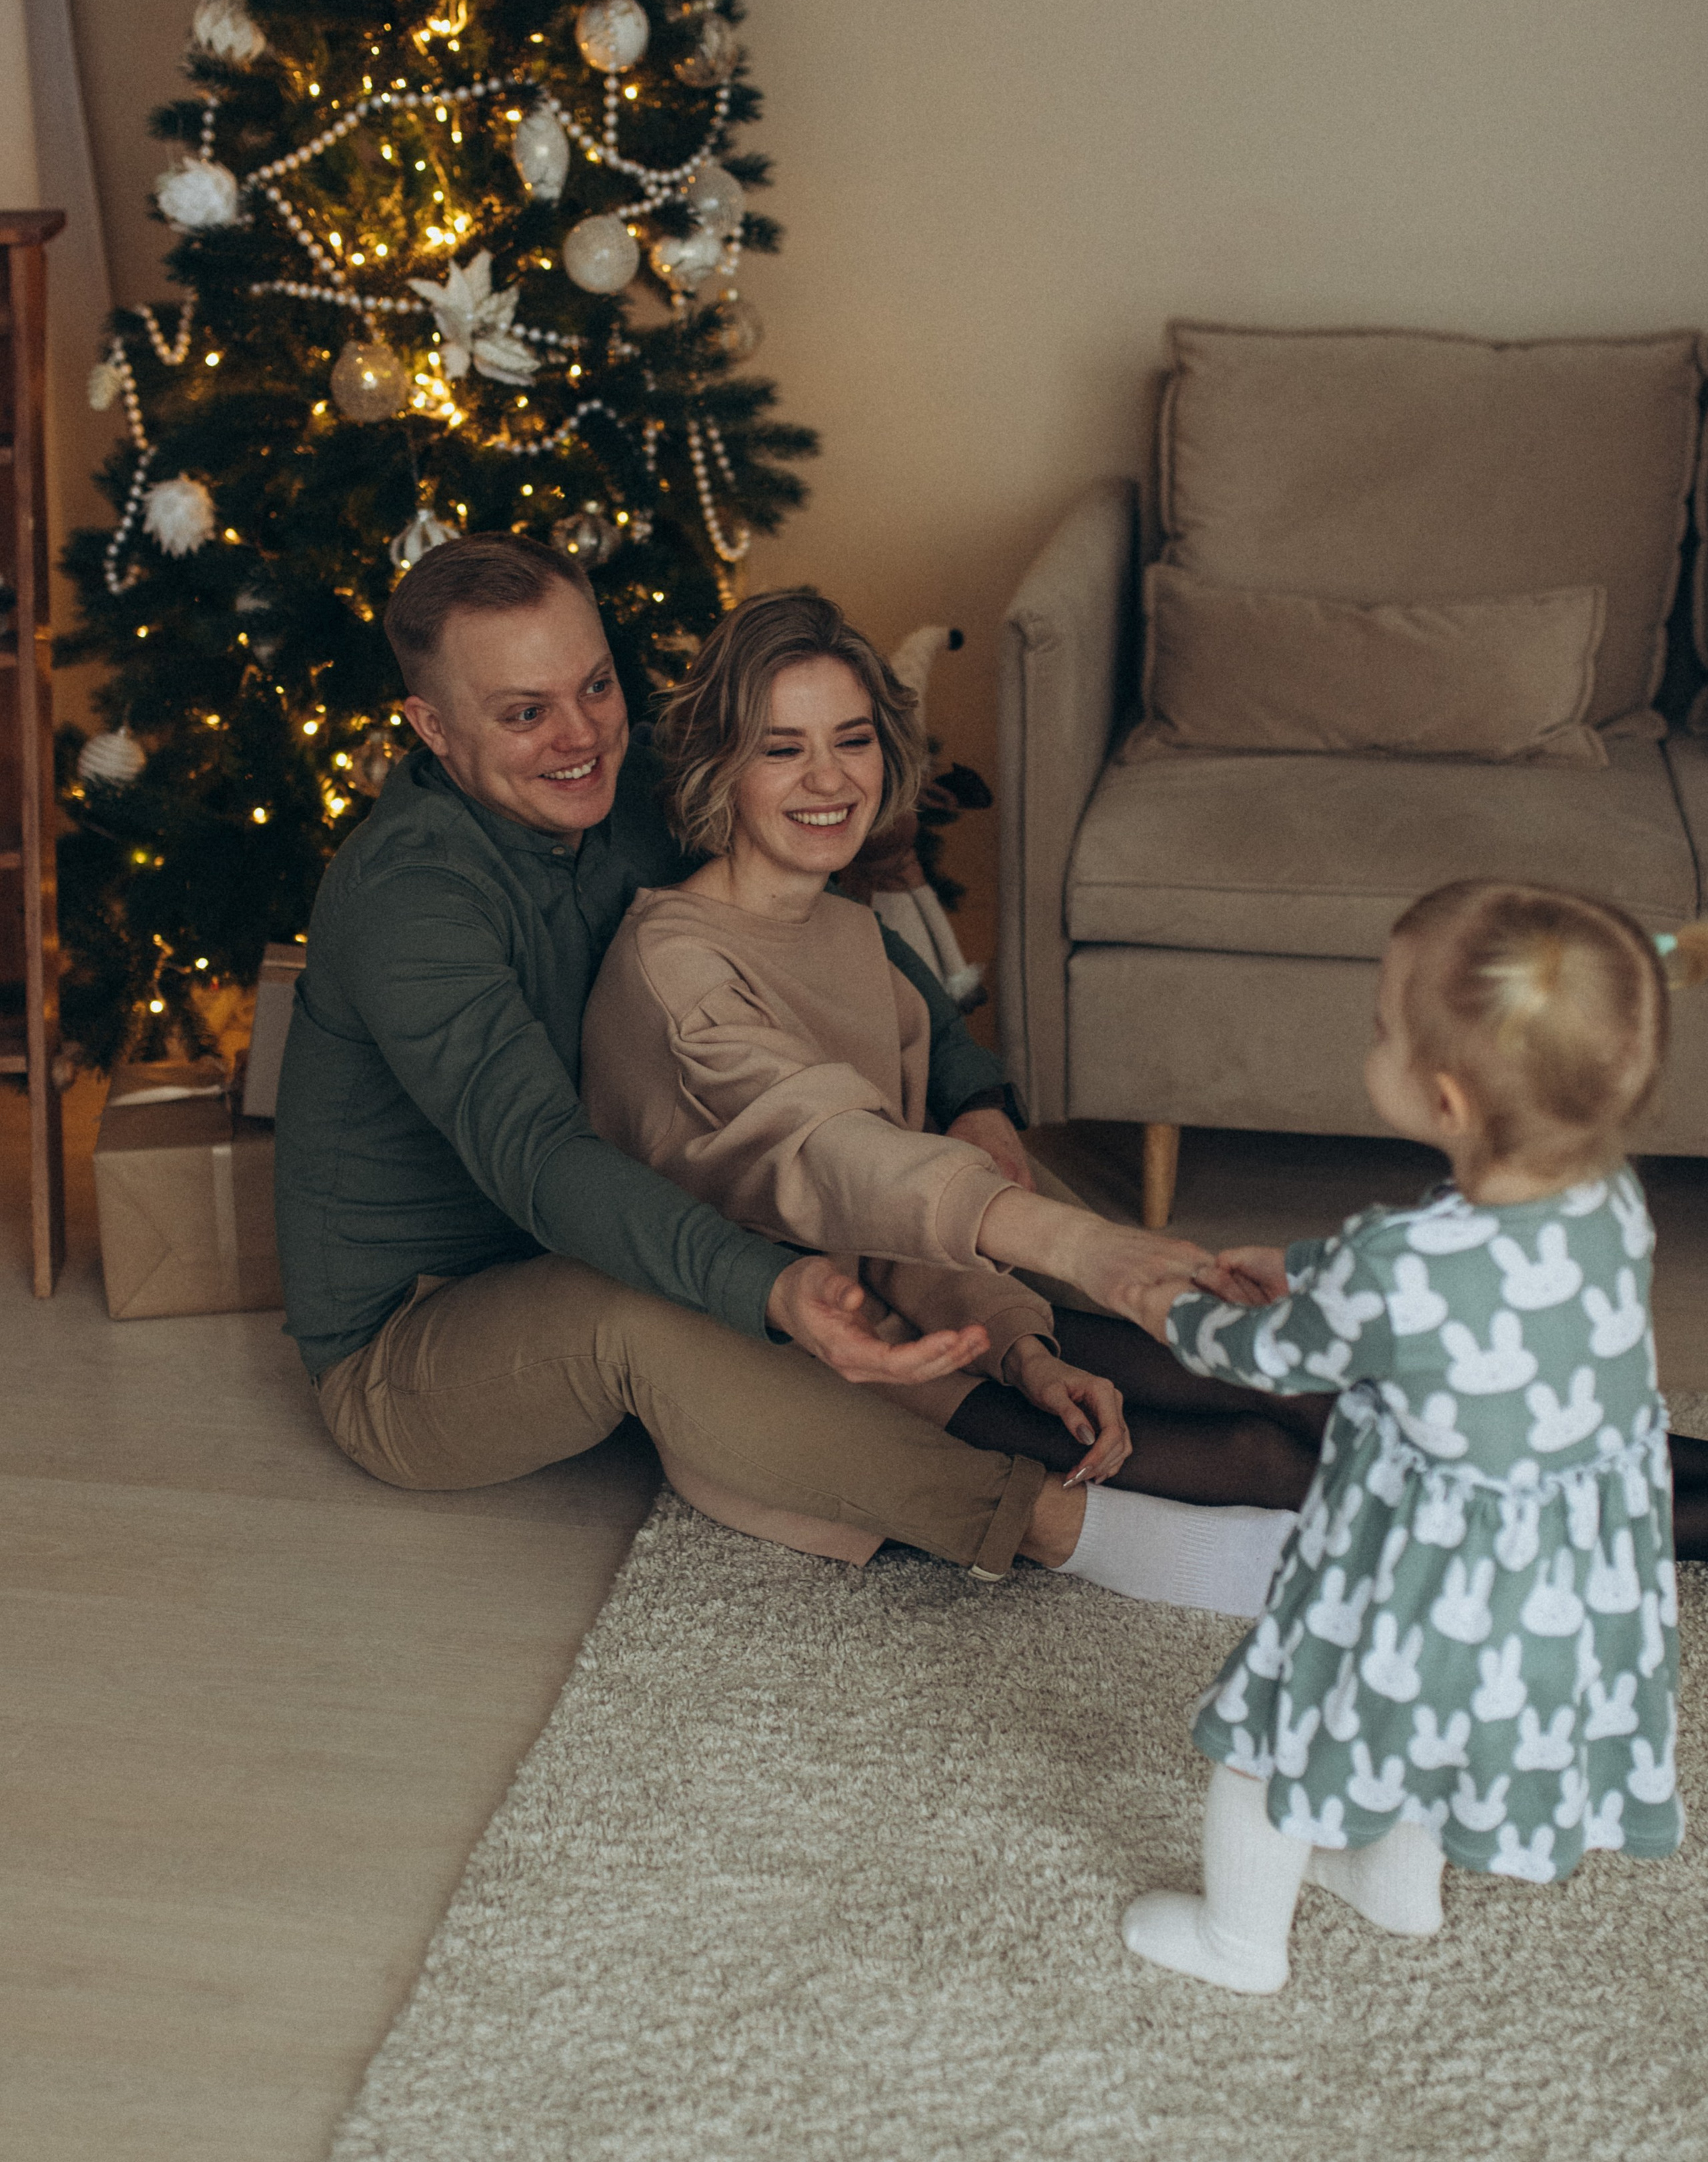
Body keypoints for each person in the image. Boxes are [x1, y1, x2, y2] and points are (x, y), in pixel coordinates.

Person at [272, 536, 1276, 1606]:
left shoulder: (632, 779)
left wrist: (971, 1094)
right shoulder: (409, 900)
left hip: (620, 1212)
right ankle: (1069, 1528)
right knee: (638, 1303)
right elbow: (541, 1161)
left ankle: (1223, 1369)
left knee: (944, 1178)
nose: (580, 738)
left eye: (598, 686)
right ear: (432, 727)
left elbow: (827, 914)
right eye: (525, 714)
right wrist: (770, 1286)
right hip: (416, 1335)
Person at [582, 586, 1330, 1606]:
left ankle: (1553, 1537)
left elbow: (893, 1222)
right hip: (806, 1371)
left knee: (1287, 1383)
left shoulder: (852, 938)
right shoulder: (674, 969)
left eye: (851, 740)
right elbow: (838, 1154)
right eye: (782, 748)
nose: (828, 778)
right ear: (721, 767)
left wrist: (1026, 1352)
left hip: (931, 1319)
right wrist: (1073, 1258)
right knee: (1260, 1460)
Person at [1118, 882, 1685, 1996]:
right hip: (1554, 1591)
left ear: (1444, 1097)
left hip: (1424, 1574)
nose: (1367, 1038)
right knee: (1430, 1726)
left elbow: (1271, 1358)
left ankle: (1240, 1944)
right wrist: (1311, 1265)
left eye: (1379, 1026)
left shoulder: (1402, 1272)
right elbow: (1448, 1275)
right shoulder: (1609, 1198)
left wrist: (1167, 1308)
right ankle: (1395, 1885)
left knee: (1275, 1735)